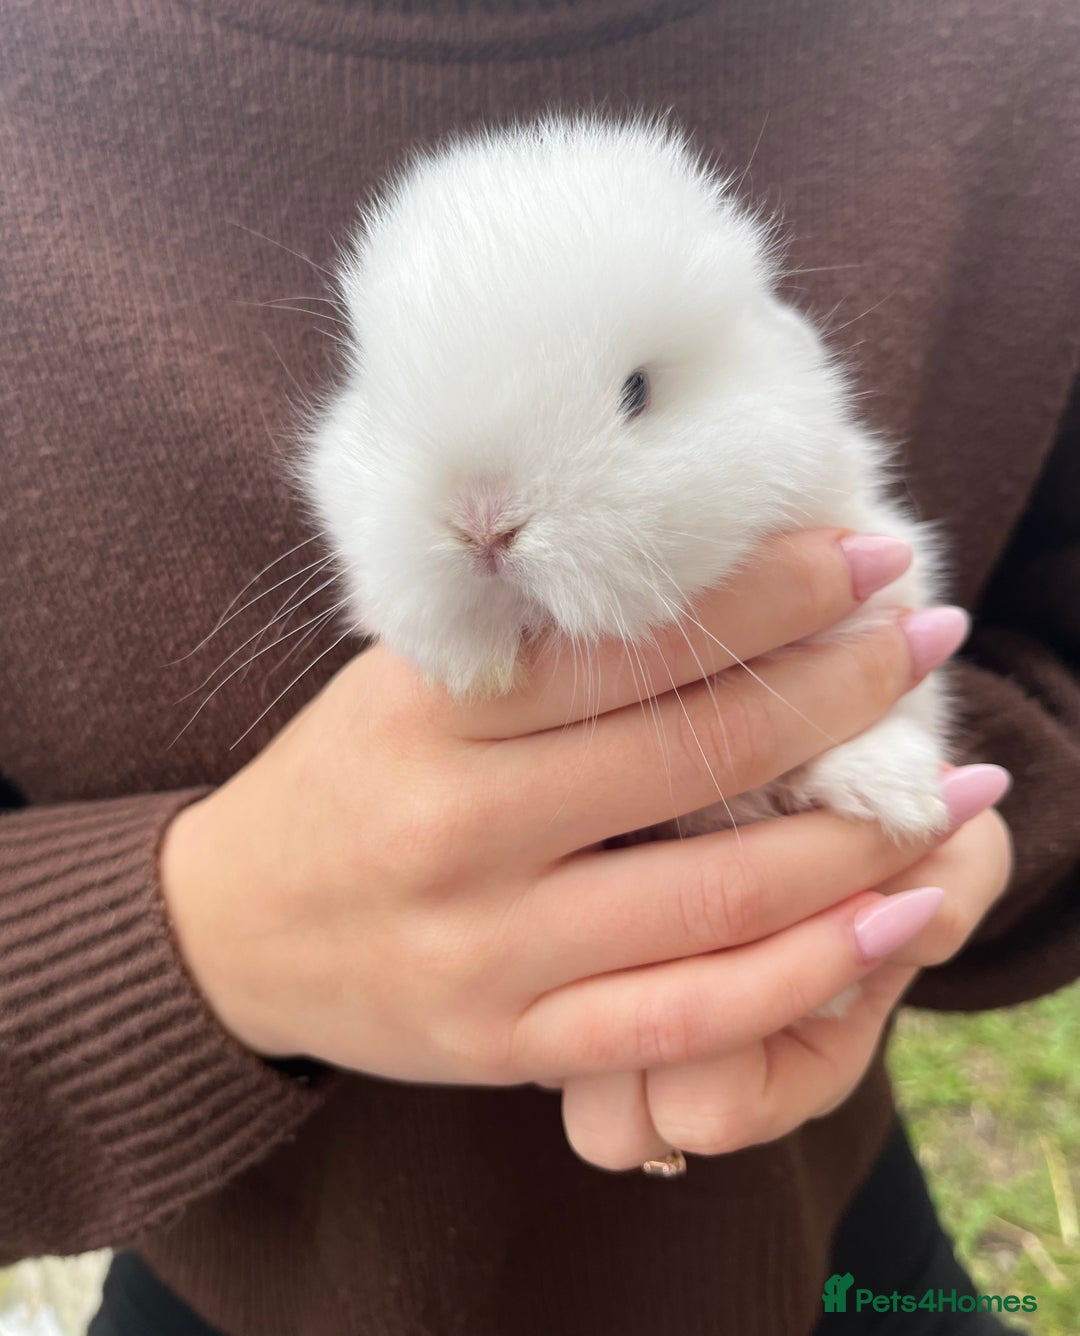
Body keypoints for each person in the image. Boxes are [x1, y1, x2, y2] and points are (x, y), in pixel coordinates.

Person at [2, 2, 1077, 1334]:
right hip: (254, 1283)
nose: (487, 521)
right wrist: (199, 939)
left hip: (829, 1247)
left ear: (770, 343)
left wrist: (938, 830)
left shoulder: (1022, 57)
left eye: (630, 398)